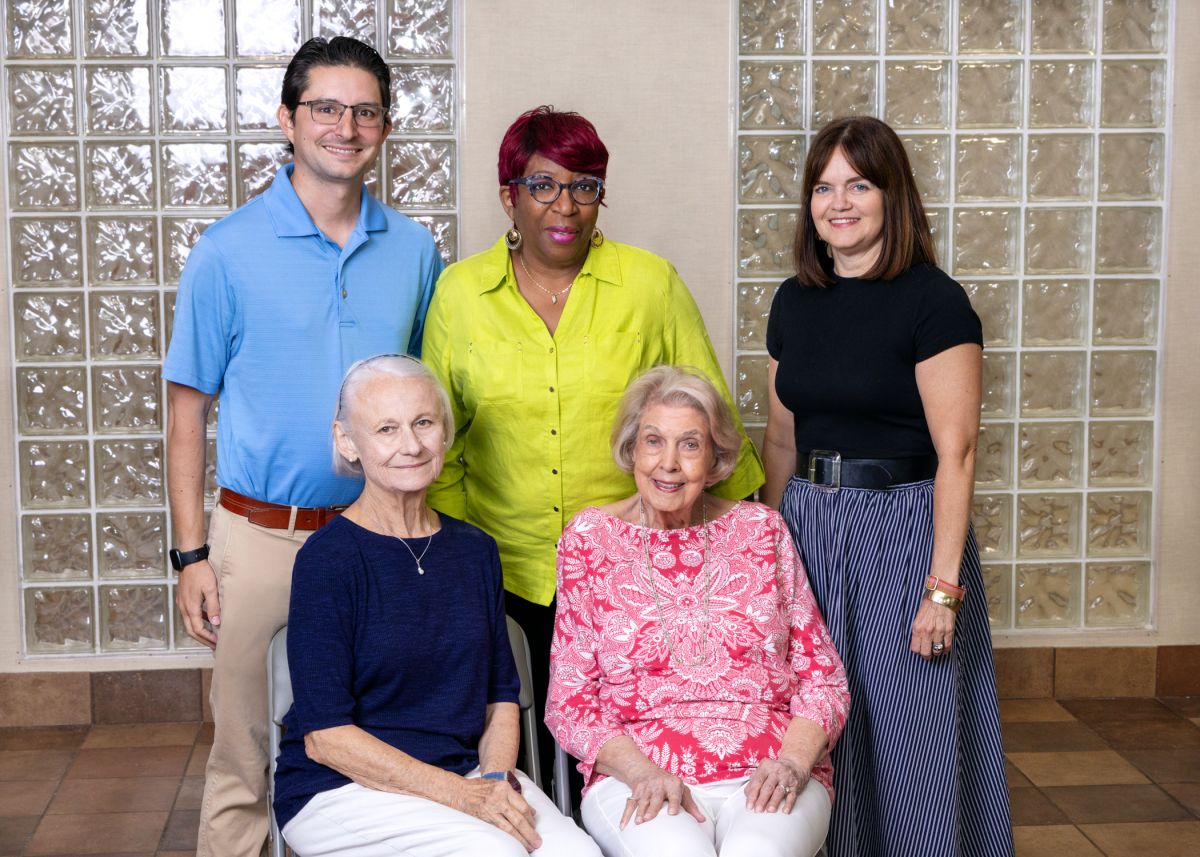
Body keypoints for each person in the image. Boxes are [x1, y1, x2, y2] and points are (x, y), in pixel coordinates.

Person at [423, 106, 765, 787]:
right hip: (504, 568)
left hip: (632, 569)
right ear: (509, 196)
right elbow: (440, 444)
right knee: (506, 750)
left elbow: (710, 425)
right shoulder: (460, 294)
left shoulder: (650, 285)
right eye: (544, 184)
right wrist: (463, 558)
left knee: (634, 753)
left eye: (585, 185)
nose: (566, 205)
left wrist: (731, 563)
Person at [163, 37, 443, 857]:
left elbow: (417, 400)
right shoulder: (225, 251)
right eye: (325, 107)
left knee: (376, 746)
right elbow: (186, 413)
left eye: (365, 111)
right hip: (263, 539)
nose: (345, 127)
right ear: (287, 120)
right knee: (244, 756)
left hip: (382, 538)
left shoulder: (415, 250)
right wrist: (190, 555)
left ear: (385, 128)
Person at [760, 116, 1013, 856]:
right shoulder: (793, 300)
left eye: (859, 184)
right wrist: (764, 554)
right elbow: (781, 437)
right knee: (818, 718)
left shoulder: (934, 301)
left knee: (911, 728)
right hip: (808, 521)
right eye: (823, 186)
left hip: (905, 528)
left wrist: (942, 587)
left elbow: (957, 451)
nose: (839, 202)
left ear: (891, 195)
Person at [274, 355, 599, 857]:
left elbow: (499, 697)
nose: (411, 445)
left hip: (466, 773)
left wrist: (494, 780)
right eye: (386, 428)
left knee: (575, 853)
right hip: (343, 789)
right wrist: (464, 797)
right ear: (347, 441)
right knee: (497, 853)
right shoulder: (329, 560)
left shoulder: (475, 550)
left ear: (445, 433)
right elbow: (326, 739)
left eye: (424, 422)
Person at [546, 366, 849, 857]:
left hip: (769, 770)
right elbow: (570, 700)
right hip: (639, 774)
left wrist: (792, 764)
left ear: (715, 458)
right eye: (653, 441)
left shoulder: (761, 530)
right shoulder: (588, 540)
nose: (668, 463)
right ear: (631, 450)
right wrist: (643, 772)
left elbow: (823, 680)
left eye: (689, 445)